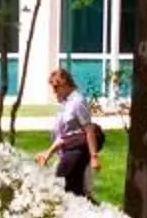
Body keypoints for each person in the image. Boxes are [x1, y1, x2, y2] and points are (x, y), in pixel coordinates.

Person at [39, 66, 102, 200]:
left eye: (56, 87)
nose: (54, 91)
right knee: (67, 190)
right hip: (66, 153)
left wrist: (94, 157)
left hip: (77, 153)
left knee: (73, 192)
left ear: (65, 84)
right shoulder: (66, 103)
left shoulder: (77, 101)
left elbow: (88, 130)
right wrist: (48, 153)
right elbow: (65, 135)